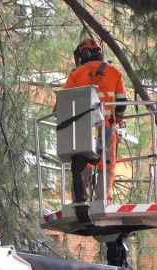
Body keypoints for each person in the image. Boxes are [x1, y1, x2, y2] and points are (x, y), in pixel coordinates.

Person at [54, 38, 127, 204]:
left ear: (81, 55)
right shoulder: (115, 72)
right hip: (107, 128)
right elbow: (122, 103)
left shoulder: (76, 74)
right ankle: (103, 200)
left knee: (82, 165)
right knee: (107, 166)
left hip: (84, 130)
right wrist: (119, 123)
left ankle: (78, 201)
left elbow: (60, 105)